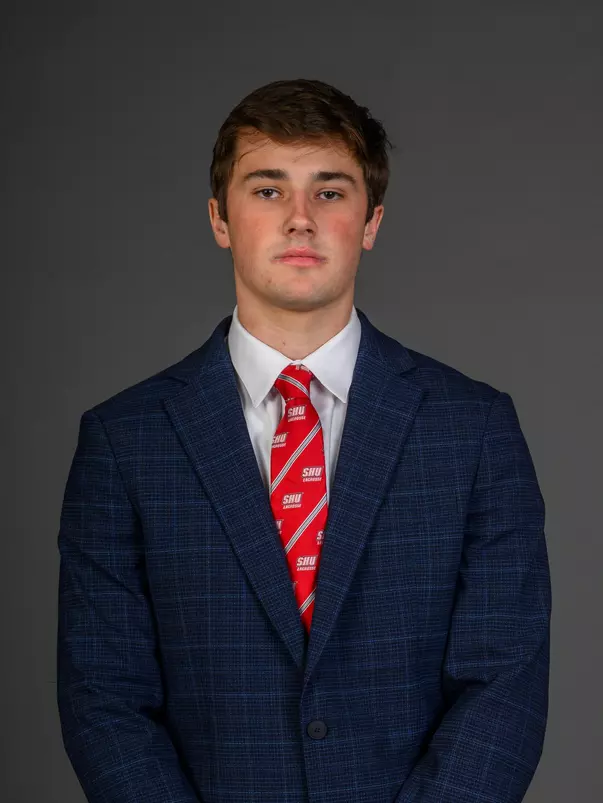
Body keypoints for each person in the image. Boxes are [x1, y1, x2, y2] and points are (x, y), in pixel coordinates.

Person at [57, 78, 552, 803]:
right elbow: (104, 696)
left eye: (329, 191)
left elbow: (504, 681)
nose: (298, 219)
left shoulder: (472, 429)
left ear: (371, 220)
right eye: (266, 190)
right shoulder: (125, 441)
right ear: (219, 219)